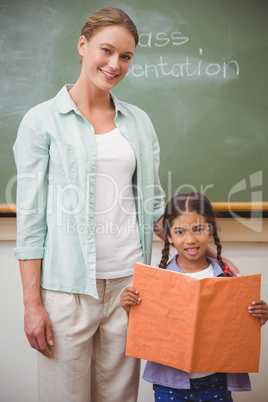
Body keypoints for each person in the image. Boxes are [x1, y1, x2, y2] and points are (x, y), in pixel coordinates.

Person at [13, 7, 166, 402]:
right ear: (83, 46)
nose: (115, 64)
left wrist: (212, 256)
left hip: (131, 288)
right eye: (106, 50)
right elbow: (30, 222)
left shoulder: (140, 122)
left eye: (126, 56)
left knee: (120, 397)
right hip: (67, 291)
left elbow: (154, 206)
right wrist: (33, 305)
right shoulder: (41, 121)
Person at [121, 192, 268, 402]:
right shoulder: (159, 281)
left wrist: (259, 316)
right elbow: (149, 331)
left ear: (210, 230)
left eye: (198, 229)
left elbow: (236, 330)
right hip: (169, 383)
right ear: (169, 236)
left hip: (215, 382)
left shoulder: (228, 277)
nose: (190, 239)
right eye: (180, 232)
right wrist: (131, 310)